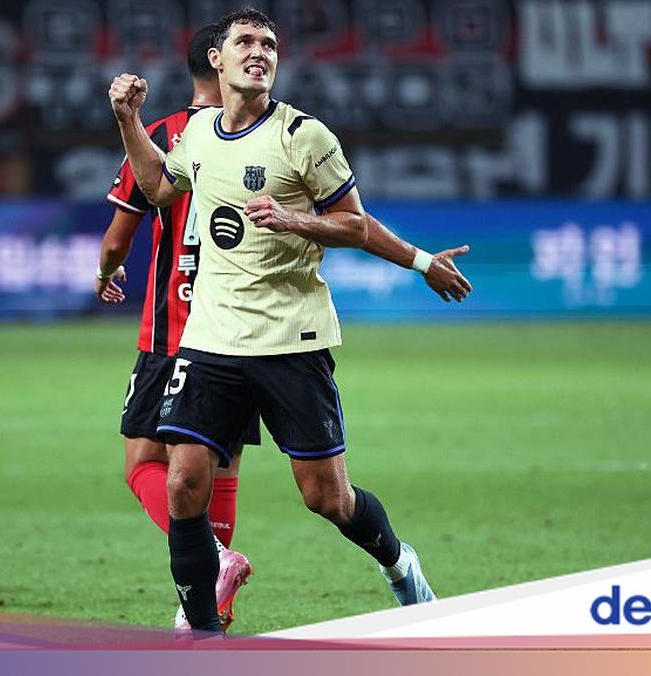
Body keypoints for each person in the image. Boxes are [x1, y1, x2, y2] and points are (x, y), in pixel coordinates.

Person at [108, 8, 471, 634]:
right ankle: (202, 634)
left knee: (326, 498)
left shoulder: (304, 135)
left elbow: (354, 223)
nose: (259, 52)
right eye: (245, 42)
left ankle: (398, 561)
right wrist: (128, 121)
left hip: (291, 340)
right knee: (183, 486)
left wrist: (300, 221)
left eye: (269, 44)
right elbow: (159, 187)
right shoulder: (197, 135)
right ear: (217, 59)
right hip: (211, 339)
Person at [96, 25, 256, 632]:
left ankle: (213, 560)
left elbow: (119, 238)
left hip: (173, 330)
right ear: (222, 64)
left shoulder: (163, 135)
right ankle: (202, 610)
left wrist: (105, 271)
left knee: (142, 462)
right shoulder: (262, 135)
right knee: (221, 469)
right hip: (239, 331)